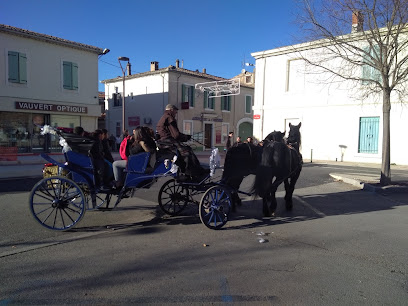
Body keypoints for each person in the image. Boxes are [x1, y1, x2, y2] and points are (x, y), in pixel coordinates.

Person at [156, 104, 207, 179]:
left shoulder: (163, 117)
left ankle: (189, 171)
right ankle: (193, 172)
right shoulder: (170, 118)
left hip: (164, 142)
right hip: (168, 141)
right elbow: (176, 135)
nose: (176, 114)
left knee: (185, 150)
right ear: (171, 110)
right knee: (187, 151)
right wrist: (186, 137)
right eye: (175, 112)